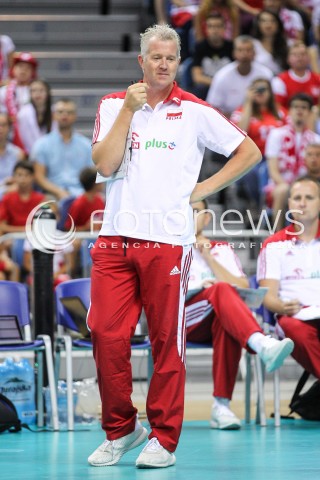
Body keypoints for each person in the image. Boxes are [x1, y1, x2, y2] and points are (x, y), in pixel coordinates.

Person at [87, 23, 261, 469]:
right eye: (155, 57)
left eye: (170, 58)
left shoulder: (196, 110)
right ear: (140, 61)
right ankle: (123, 429)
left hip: (168, 241)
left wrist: (205, 185)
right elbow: (105, 163)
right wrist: (129, 110)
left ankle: (164, 439)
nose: (162, 64)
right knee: (106, 334)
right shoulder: (112, 104)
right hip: (114, 239)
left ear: (177, 63)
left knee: (167, 343)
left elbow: (249, 152)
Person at [185, 199, 294, 430]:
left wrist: (209, 259)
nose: (188, 214)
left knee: (226, 318)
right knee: (221, 290)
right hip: (183, 319)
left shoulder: (222, 249)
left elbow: (242, 286)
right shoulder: (168, 249)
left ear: (207, 218)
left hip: (216, 313)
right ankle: (261, 343)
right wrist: (201, 288)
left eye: (195, 211)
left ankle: (220, 406)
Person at [257, 175, 320, 383]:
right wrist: (282, 307)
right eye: (297, 198)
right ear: (289, 203)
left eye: (309, 197)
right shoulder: (274, 245)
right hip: (295, 317)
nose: (302, 203)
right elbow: (268, 297)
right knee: (295, 330)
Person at [264, 93, 320, 230]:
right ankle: (278, 235)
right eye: (295, 107)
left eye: (304, 107)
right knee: (283, 190)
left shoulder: (316, 139)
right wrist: (289, 186)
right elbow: (272, 169)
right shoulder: (276, 134)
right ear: (289, 110)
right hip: (280, 184)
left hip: (308, 183)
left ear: (309, 112)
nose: (299, 110)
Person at [230, 77, 286, 209]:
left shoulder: (281, 113)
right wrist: (248, 103)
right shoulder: (240, 112)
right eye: (256, 89)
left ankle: (269, 208)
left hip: (277, 158)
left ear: (271, 92)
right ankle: (260, 205)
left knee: (266, 169)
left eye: (263, 89)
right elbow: (238, 134)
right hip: (252, 157)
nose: (260, 93)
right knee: (254, 171)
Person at [30, 98, 92, 200]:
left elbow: (92, 175)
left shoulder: (86, 145)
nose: (65, 115)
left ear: (75, 116)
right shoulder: (42, 144)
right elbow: (39, 177)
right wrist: (59, 192)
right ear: (54, 115)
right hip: (52, 194)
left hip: (81, 194)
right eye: (60, 112)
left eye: (69, 112)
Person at [206, 35, 273, 117]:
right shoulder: (222, 76)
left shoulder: (266, 74)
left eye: (248, 50)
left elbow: (273, 103)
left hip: (260, 118)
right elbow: (213, 107)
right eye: (240, 50)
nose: (244, 54)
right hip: (229, 120)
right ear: (234, 53)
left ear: (254, 53)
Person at [191, 12, 234, 100]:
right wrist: (218, 83)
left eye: (218, 26)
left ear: (224, 29)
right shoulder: (200, 47)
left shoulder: (232, 47)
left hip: (228, 86)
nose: (215, 30)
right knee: (200, 89)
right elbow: (197, 77)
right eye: (211, 26)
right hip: (207, 86)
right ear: (206, 29)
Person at [0, 52, 38, 150]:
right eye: (20, 66)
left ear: (32, 72)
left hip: (31, 133)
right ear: (14, 69)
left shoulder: (36, 91)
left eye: (27, 68)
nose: (23, 71)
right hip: (8, 134)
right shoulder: (3, 91)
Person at [0, 160, 45, 235]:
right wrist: (27, 229)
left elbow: (44, 226)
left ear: (33, 177)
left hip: (34, 239)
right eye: (19, 175)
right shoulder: (7, 198)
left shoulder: (41, 200)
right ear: (14, 177)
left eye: (27, 175)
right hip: (11, 239)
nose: (23, 179)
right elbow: (2, 226)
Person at [271, 41, 320, 109]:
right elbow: (278, 106)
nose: (299, 58)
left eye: (303, 54)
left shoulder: (318, 80)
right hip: (288, 118)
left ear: (309, 58)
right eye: (295, 55)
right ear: (288, 59)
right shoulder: (279, 80)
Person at [17, 79, 55, 155]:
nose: (38, 94)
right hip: (30, 154)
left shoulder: (55, 111)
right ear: (29, 94)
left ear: (48, 93)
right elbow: (26, 139)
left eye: (41, 90)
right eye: (34, 91)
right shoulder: (23, 113)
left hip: (51, 153)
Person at [250, 9, 288, 74]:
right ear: (258, 25)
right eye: (263, 21)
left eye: (272, 21)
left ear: (278, 25)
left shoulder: (288, 44)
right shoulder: (252, 44)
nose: (268, 25)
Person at [0, 112, 25, 200]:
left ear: (9, 128)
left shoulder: (18, 153)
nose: (0, 129)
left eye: (3, 125)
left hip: (12, 198)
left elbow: (23, 180)